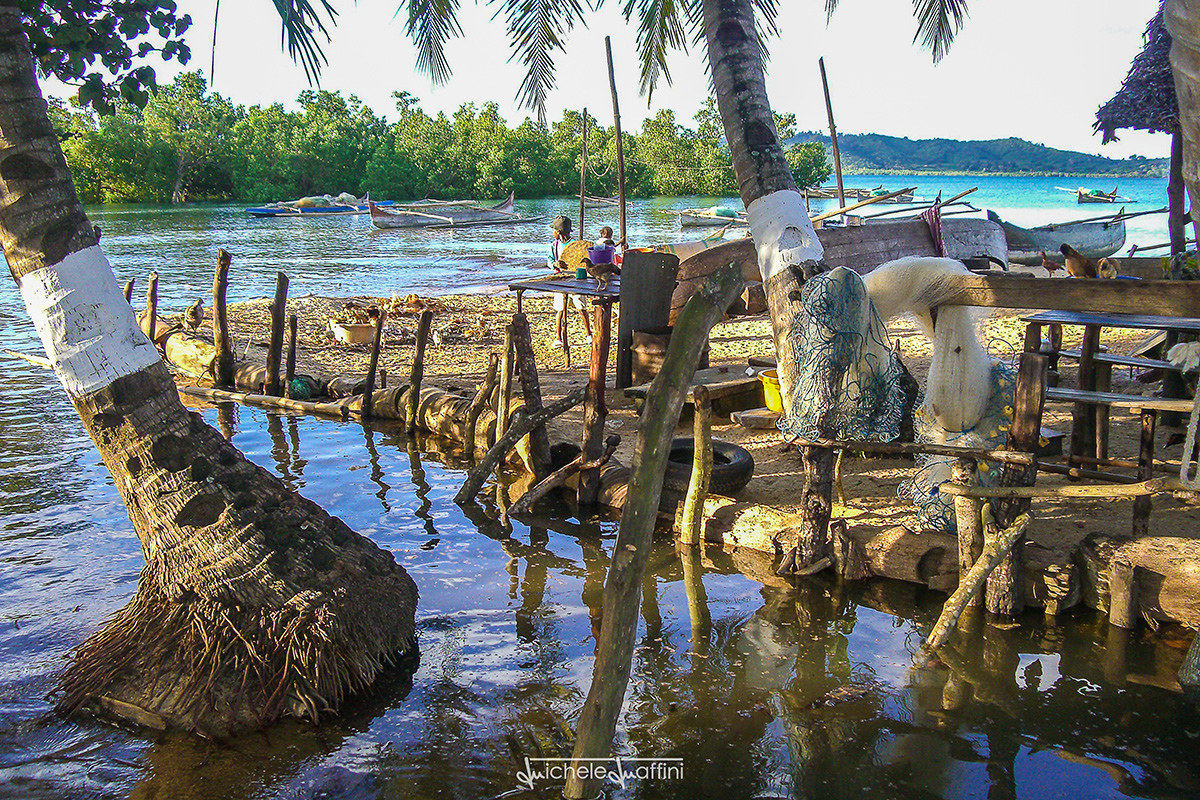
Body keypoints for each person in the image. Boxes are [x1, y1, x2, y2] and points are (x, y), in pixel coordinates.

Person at [548, 215, 593, 349]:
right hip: (560, 279)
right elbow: (549, 260)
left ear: (559, 232)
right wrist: (555, 264)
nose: (552, 233)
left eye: (554, 230)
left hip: (576, 279)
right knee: (560, 308)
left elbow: (584, 258)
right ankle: (558, 337)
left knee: (580, 305)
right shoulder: (554, 246)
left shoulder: (576, 245)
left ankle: (588, 334)